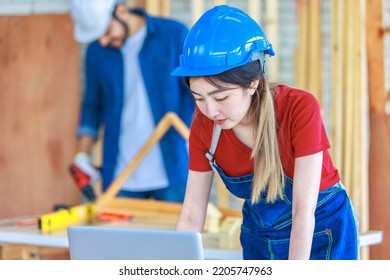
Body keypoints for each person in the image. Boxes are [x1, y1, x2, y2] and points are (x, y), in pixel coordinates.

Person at [172, 5, 359, 260]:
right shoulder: (204, 128)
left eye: (221, 97)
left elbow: (303, 211)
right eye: (198, 98)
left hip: (321, 233)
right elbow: (192, 215)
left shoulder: (299, 108)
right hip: (260, 238)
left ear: (252, 82)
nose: (210, 110)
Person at [69, 0, 194, 203]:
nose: (103, 41)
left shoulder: (173, 35)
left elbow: (194, 95)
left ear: (121, 10)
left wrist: (199, 137)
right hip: (122, 174)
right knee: (123, 235)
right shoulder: (97, 51)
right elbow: (92, 104)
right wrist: (82, 154)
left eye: (106, 31)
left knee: (177, 233)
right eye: (98, 36)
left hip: (173, 168)